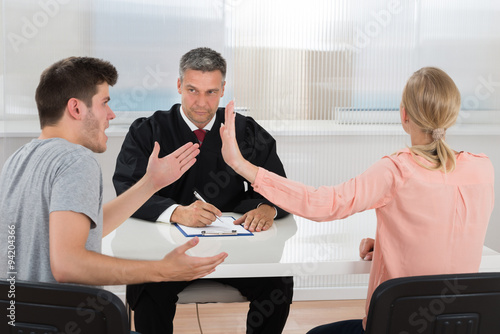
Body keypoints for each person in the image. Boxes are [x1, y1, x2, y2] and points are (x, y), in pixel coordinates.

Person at [219, 67, 495, 334]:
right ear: (452, 115)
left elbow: (322, 203)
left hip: (396, 324)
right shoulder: (483, 168)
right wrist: (398, 243)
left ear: (404, 114)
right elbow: (451, 231)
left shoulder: (396, 170)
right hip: (459, 323)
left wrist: (240, 163)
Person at [0, 57, 227, 291]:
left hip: (18, 320)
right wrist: (163, 270)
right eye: (104, 103)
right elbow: (68, 265)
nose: (111, 114)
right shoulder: (76, 161)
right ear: (76, 108)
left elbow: (88, 228)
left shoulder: (17, 160)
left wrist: (150, 183)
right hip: (60, 320)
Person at [113, 47, 293, 334]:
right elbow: (126, 189)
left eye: (211, 92)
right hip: (165, 251)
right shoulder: (149, 131)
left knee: (278, 284)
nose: (201, 103)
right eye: (192, 90)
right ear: (178, 86)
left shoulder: (243, 131)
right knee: (148, 287)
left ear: (223, 89)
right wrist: (175, 212)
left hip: (234, 250)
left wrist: (265, 208)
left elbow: (279, 185)